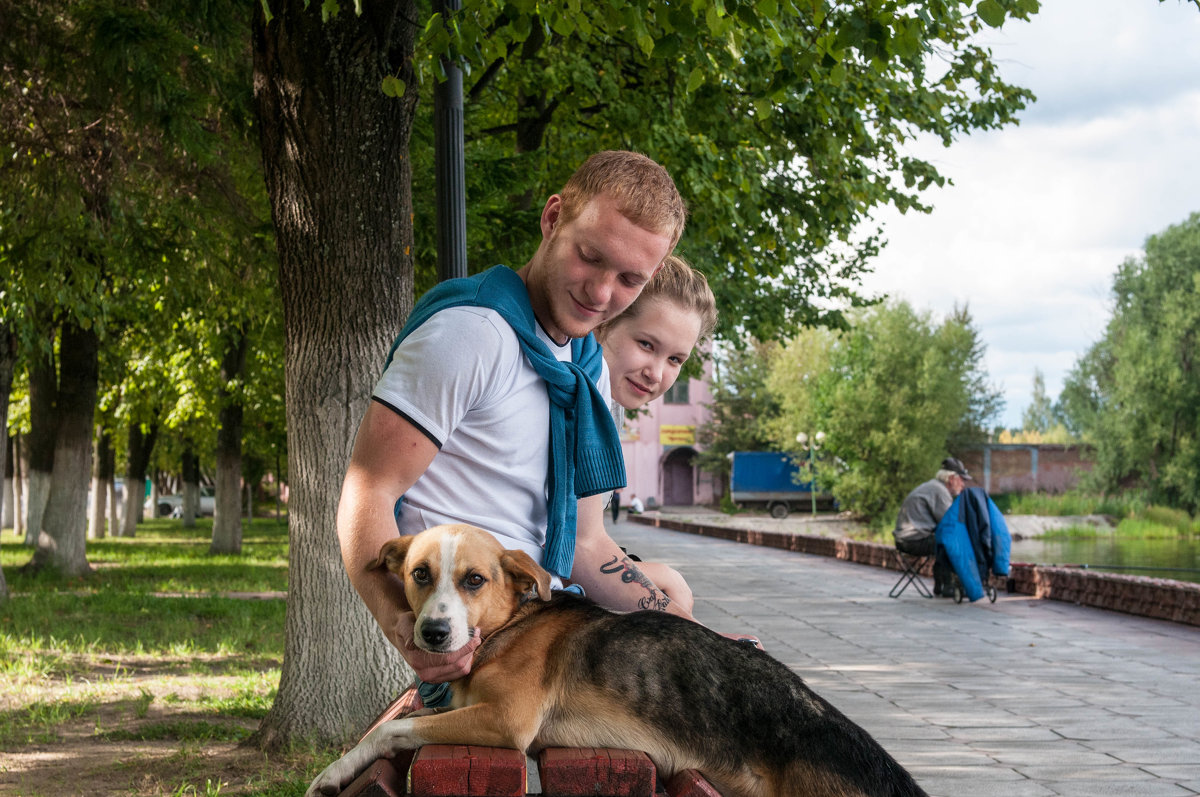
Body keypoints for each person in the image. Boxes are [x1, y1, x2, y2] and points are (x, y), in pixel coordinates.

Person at [336, 150, 690, 689]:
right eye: (590, 257)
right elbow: (368, 491)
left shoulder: (586, 369)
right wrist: (403, 626)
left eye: (629, 279)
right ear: (553, 220)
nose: (600, 292)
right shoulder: (471, 334)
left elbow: (588, 546)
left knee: (680, 602)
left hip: (544, 615)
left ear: (654, 274)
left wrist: (697, 638)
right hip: (477, 628)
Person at [595, 254, 718, 612]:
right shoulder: (576, 397)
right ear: (605, 325)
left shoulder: (607, 403)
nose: (656, 373)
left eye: (675, 360)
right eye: (647, 345)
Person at [893, 457, 971, 596]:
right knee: (951, 542)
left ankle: (941, 584)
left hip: (904, 540)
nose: (963, 484)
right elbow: (950, 524)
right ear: (952, 478)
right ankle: (949, 586)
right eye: (962, 480)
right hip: (913, 541)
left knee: (944, 541)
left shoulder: (933, 487)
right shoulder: (939, 492)